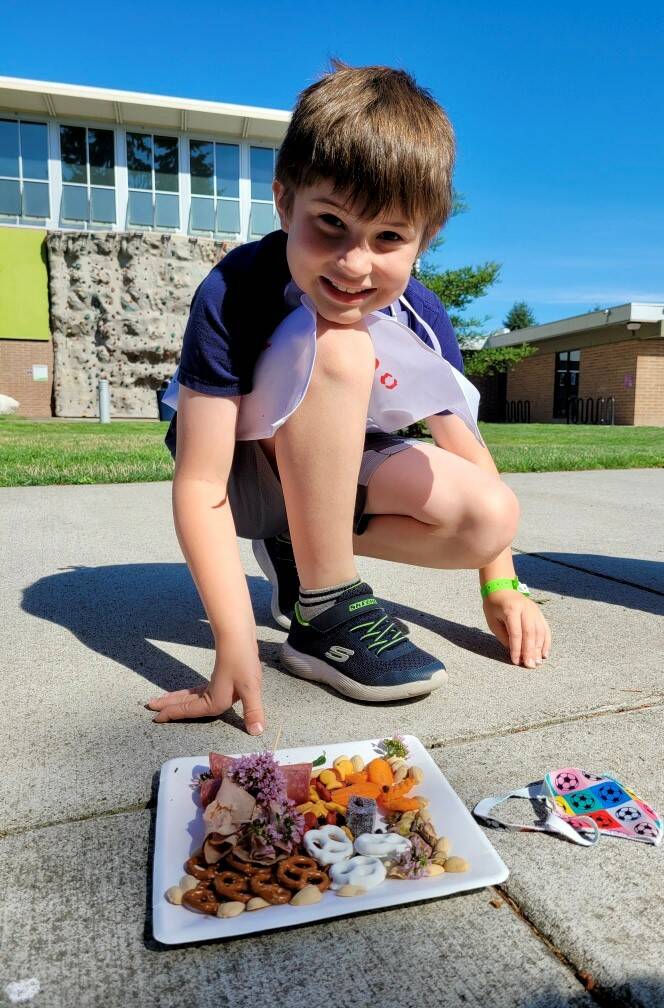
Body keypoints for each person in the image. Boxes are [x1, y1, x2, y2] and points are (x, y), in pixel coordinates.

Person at [147, 60, 551, 733]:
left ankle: (301, 557)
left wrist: (501, 584)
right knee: (337, 341)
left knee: (488, 515)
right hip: (246, 471)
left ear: (425, 239)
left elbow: (468, 452)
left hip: (335, 467)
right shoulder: (235, 287)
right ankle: (323, 607)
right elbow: (201, 484)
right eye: (330, 223)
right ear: (284, 202)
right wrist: (234, 646)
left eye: (389, 237)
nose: (355, 264)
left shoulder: (421, 311)